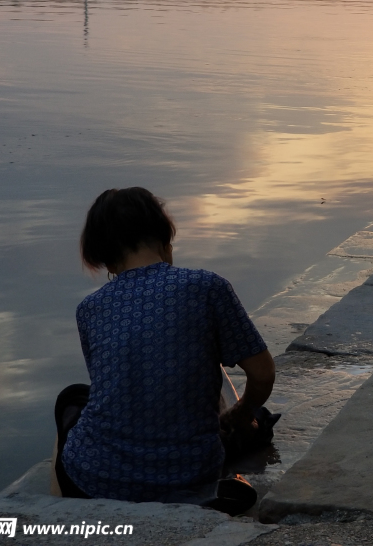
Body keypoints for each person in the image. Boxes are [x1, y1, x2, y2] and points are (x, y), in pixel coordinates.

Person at [56, 187, 275, 511]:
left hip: (98, 478)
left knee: (70, 402)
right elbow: (263, 373)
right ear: (164, 240)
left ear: (105, 258)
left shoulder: (90, 308)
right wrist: (241, 413)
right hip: (190, 475)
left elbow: (122, 388)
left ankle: (64, 517)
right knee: (208, 369)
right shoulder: (207, 286)